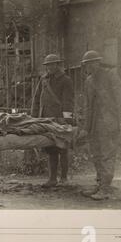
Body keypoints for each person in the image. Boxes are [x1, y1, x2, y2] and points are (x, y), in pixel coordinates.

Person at [79, 50, 121, 200]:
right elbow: (87, 106)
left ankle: (106, 188)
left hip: (108, 122)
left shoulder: (110, 76)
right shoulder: (88, 81)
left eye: (92, 63)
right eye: (87, 64)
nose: (89, 66)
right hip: (94, 124)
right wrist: (86, 128)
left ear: (98, 62)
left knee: (107, 154)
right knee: (96, 154)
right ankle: (100, 183)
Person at [31, 54, 74, 187]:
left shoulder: (65, 80)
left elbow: (68, 102)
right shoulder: (43, 79)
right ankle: (52, 179)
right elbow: (37, 99)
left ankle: (64, 178)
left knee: (62, 148)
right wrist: (34, 117)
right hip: (46, 119)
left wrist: (68, 121)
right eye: (47, 65)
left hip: (60, 119)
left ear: (57, 65)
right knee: (50, 148)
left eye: (52, 64)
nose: (49, 67)